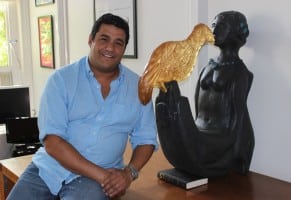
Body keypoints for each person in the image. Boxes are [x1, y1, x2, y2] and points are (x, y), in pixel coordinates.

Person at [7, 13, 158, 200]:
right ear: (91, 40)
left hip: (92, 183)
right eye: (104, 39)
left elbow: (146, 139)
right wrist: (105, 177)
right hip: (49, 169)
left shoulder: (138, 88)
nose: (110, 47)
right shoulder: (61, 80)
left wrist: (128, 174)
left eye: (118, 43)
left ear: (124, 49)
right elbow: (53, 142)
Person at [155, 11, 254, 177]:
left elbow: (238, 116)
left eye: (221, 26)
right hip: (201, 127)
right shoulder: (207, 66)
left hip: (221, 135)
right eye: (213, 25)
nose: (214, 31)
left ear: (236, 33)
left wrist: (235, 148)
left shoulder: (240, 72)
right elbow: (197, 107)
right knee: (170, 106)